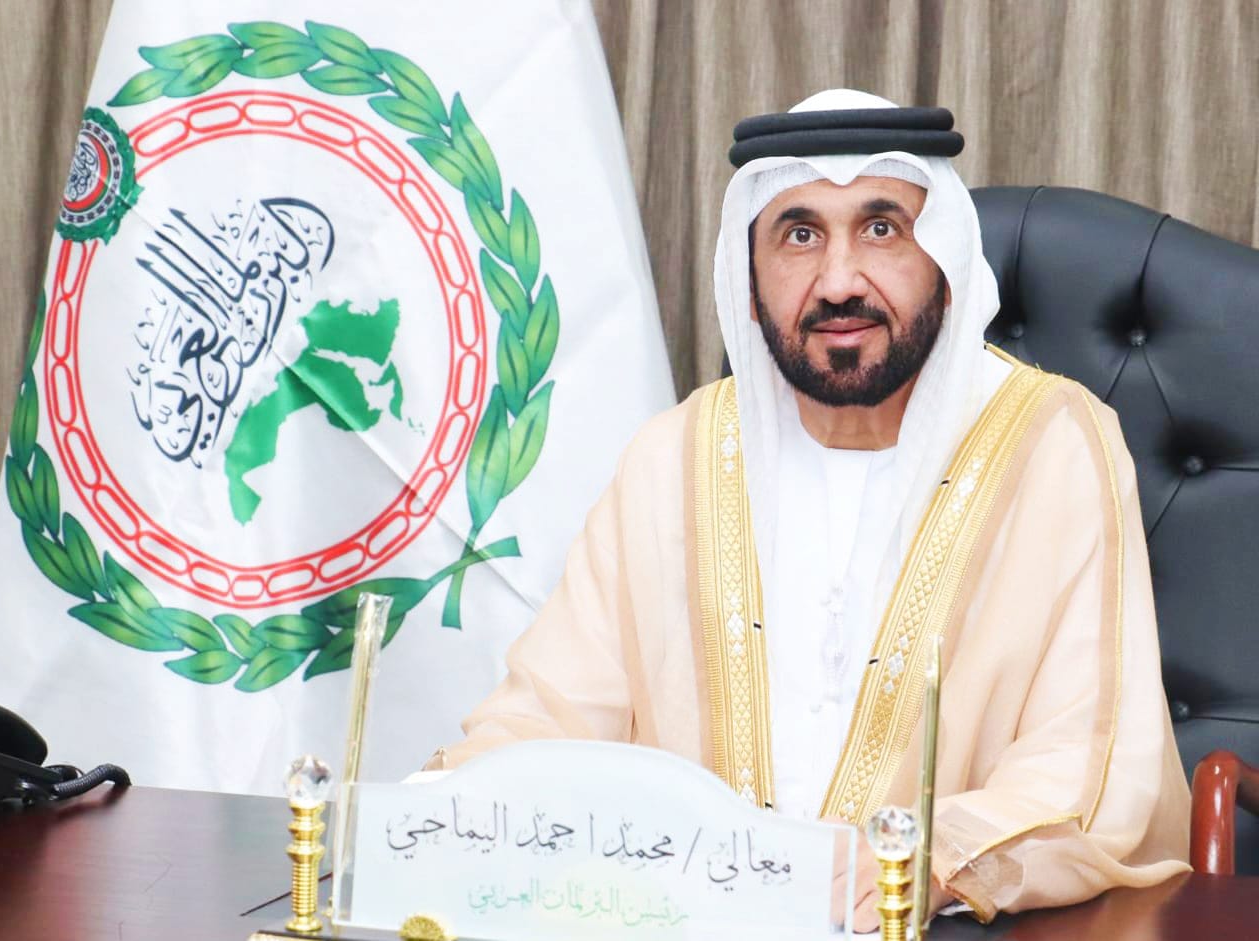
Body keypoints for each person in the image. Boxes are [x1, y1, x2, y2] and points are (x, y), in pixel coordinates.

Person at [426, 89, 1190, 929]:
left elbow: (1087, 756)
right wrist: (435, 814)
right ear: (750, 283)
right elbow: (552, 711)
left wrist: (932, 855)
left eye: (881, 229)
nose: (839, 282)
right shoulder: (674, 455)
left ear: (945, 263)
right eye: (799, 235)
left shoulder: (1054, 444)